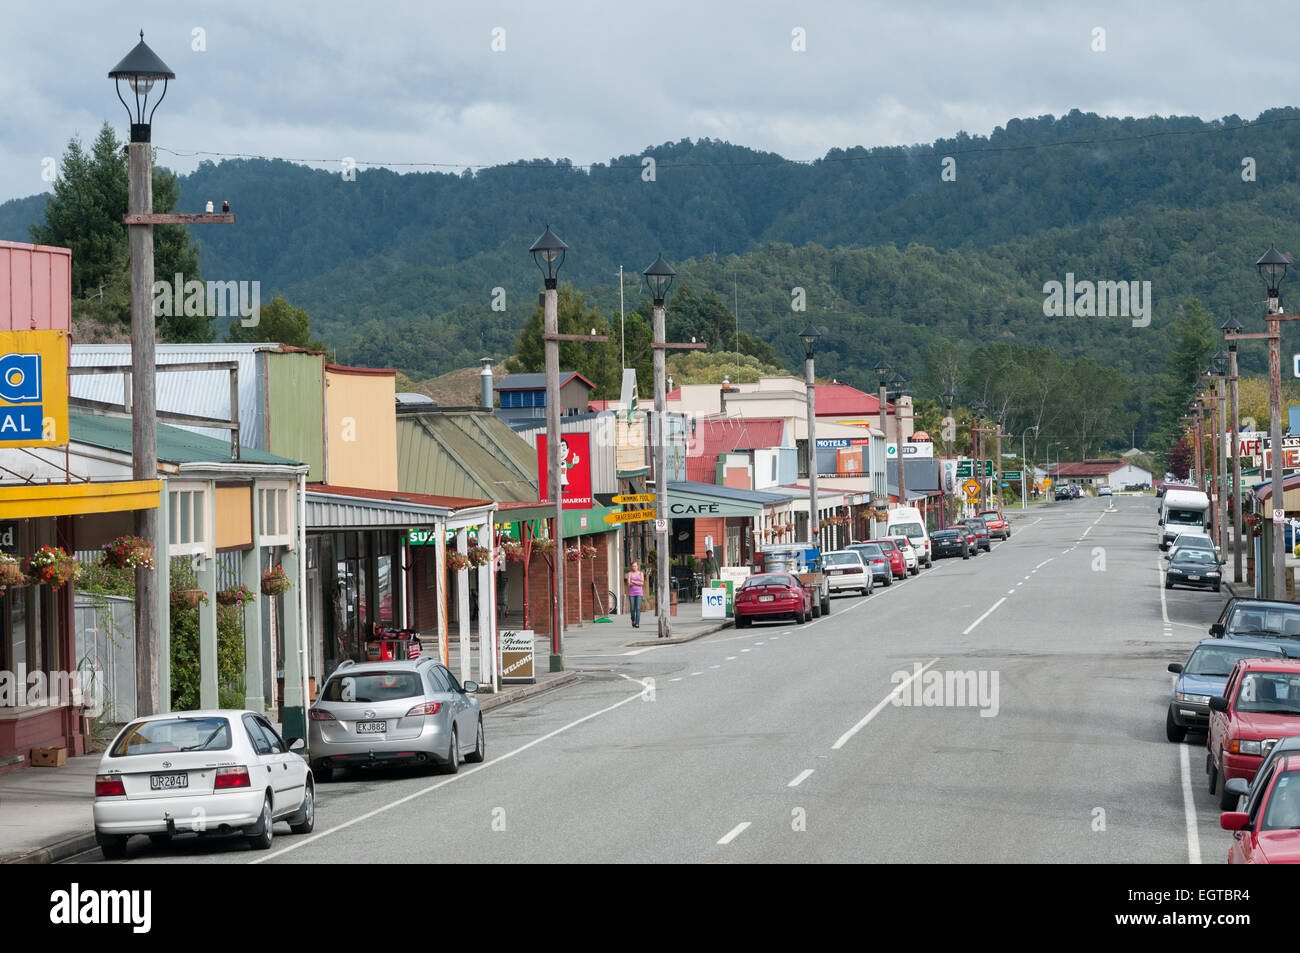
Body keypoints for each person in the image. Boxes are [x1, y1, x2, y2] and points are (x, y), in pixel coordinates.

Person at [626, 561, 645, 628]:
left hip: (639, 593)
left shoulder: (641, 573)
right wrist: (638, 582)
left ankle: (637, 623)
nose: (634, 567)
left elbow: (642, 583)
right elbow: (628, 583)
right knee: (632, 609)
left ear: (637, 566)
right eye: (633, 566)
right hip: (632, 594)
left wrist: (633, 581)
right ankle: (633, 620)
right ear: (631, 567)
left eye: (635, 566)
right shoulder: (629, 573)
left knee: (638, 608)